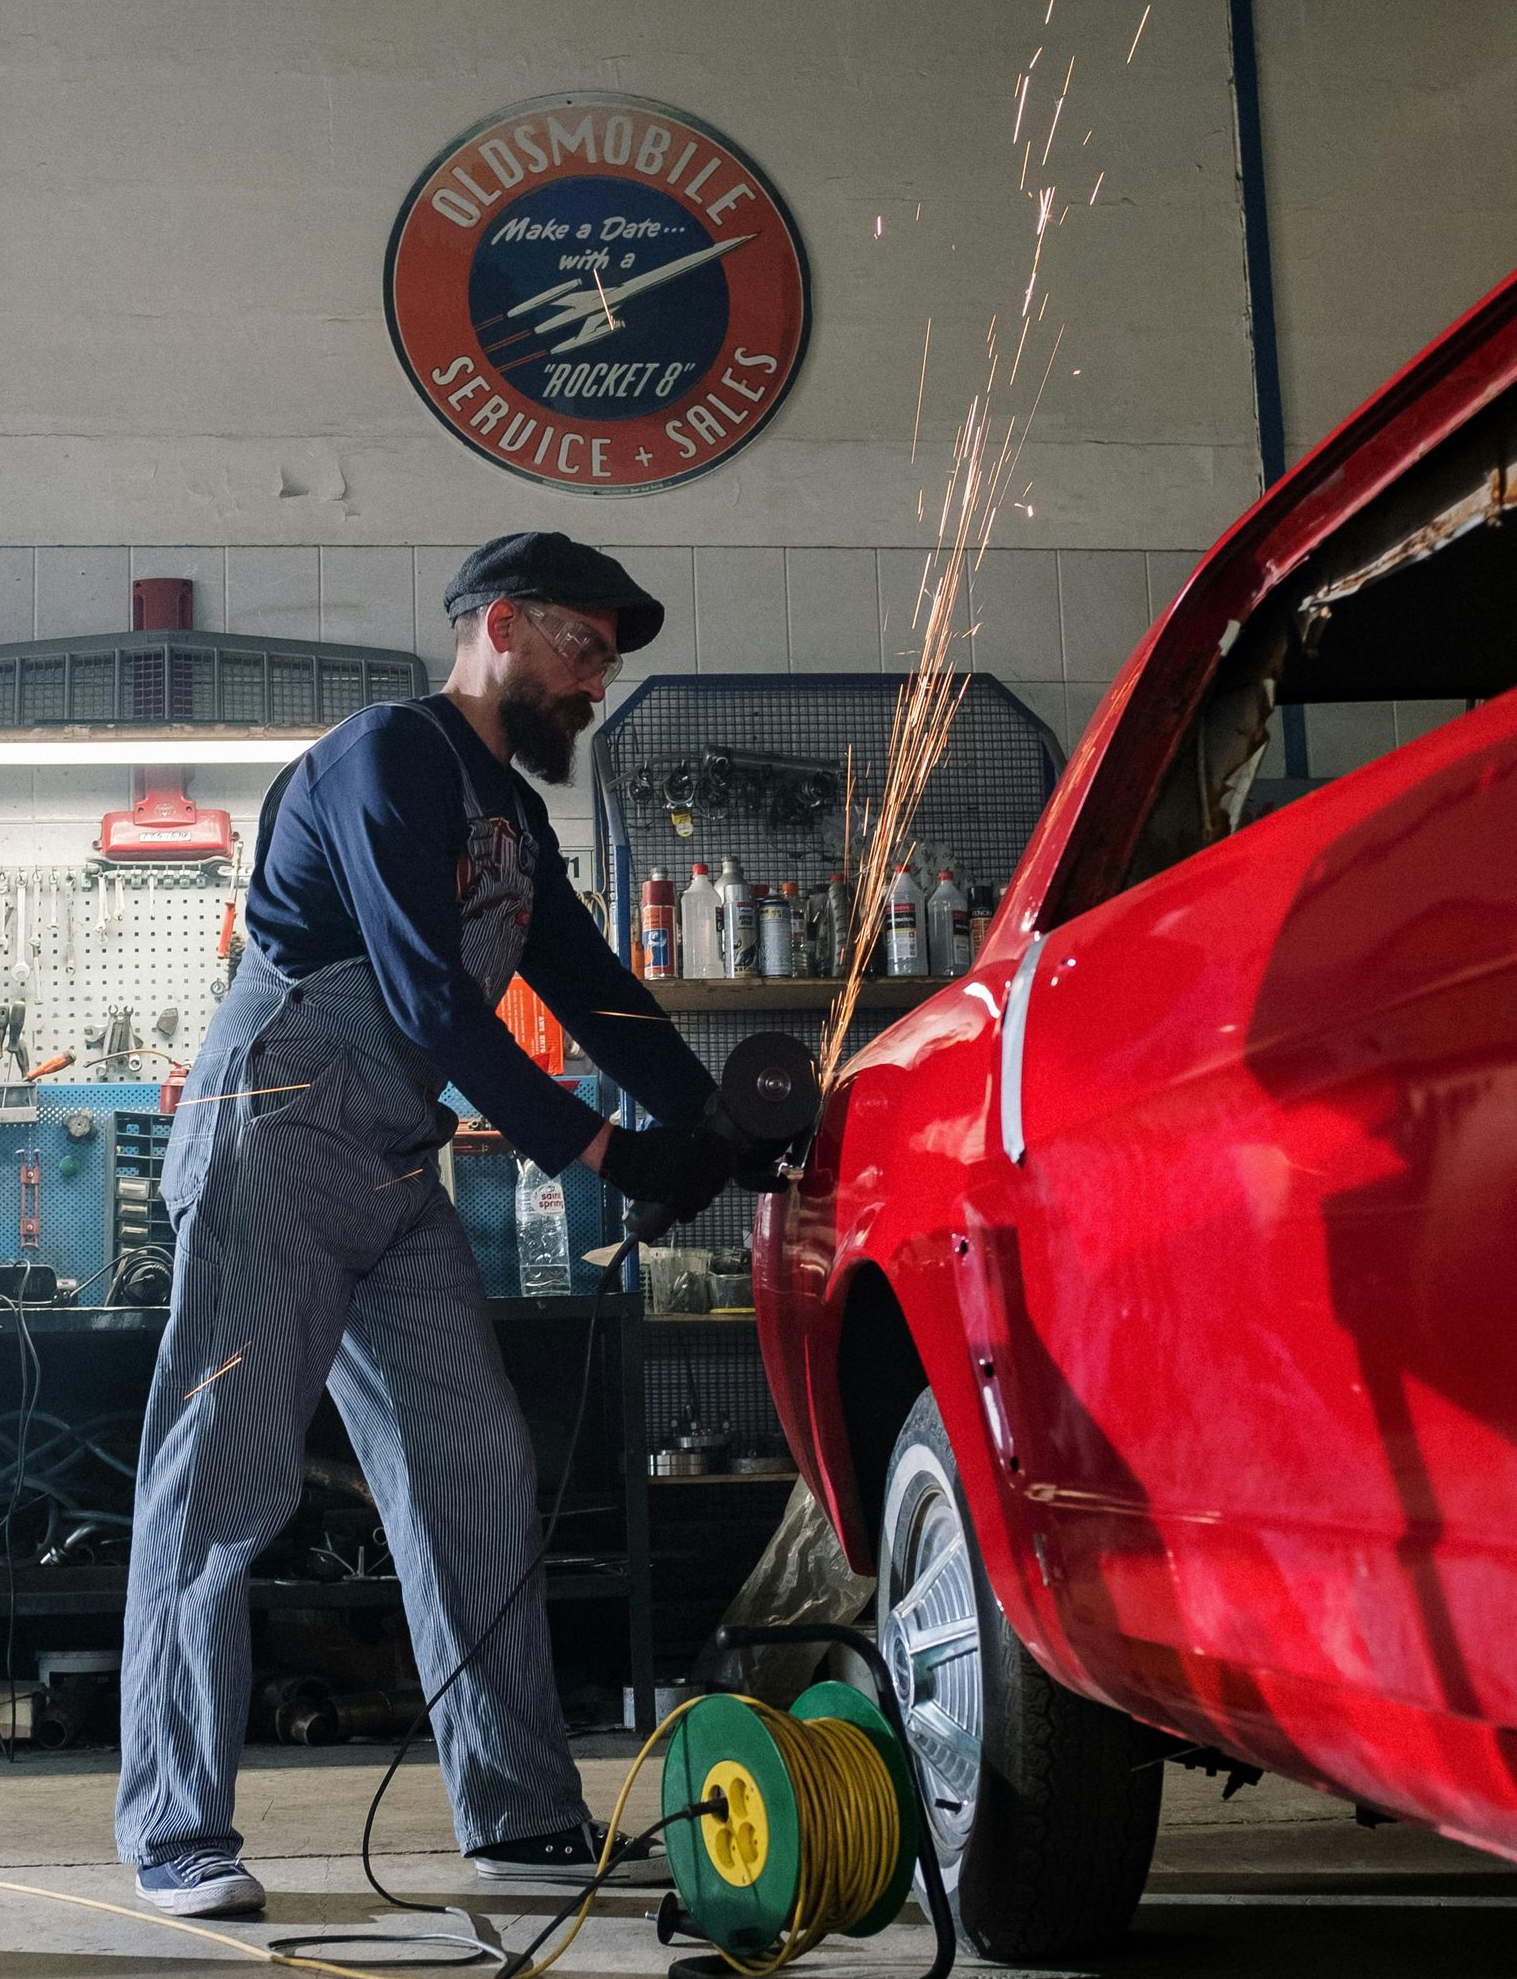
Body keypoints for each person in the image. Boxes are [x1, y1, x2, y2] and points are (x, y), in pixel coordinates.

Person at [116, 532, 743, 1918]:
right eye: (582, 648)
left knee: (476, 1463)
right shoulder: (386, 758)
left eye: (608, 662)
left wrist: (720, 1118)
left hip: (392, 1164)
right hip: (275, 1135)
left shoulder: (510, 820)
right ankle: (174, 1829)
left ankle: (517, 1813)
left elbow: (592, 988)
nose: (595, 683)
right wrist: (600, 1149)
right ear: (499, 625)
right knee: (222, 1482)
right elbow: (426, 996)